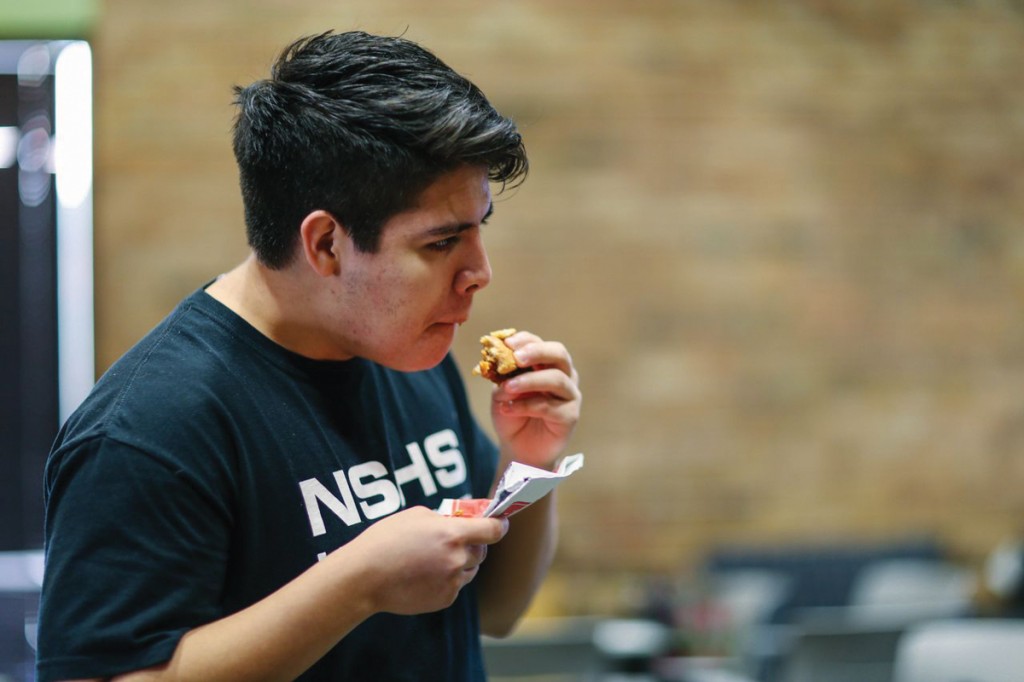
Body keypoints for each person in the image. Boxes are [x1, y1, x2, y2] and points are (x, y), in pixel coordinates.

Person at [36, 30, 582, 682]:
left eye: (479, 228)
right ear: (325, 244)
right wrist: (356, 583)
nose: (479, 274)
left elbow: (494, 610)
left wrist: (528, 464)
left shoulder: (408, 348)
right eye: (441, 243)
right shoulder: (149, 427)